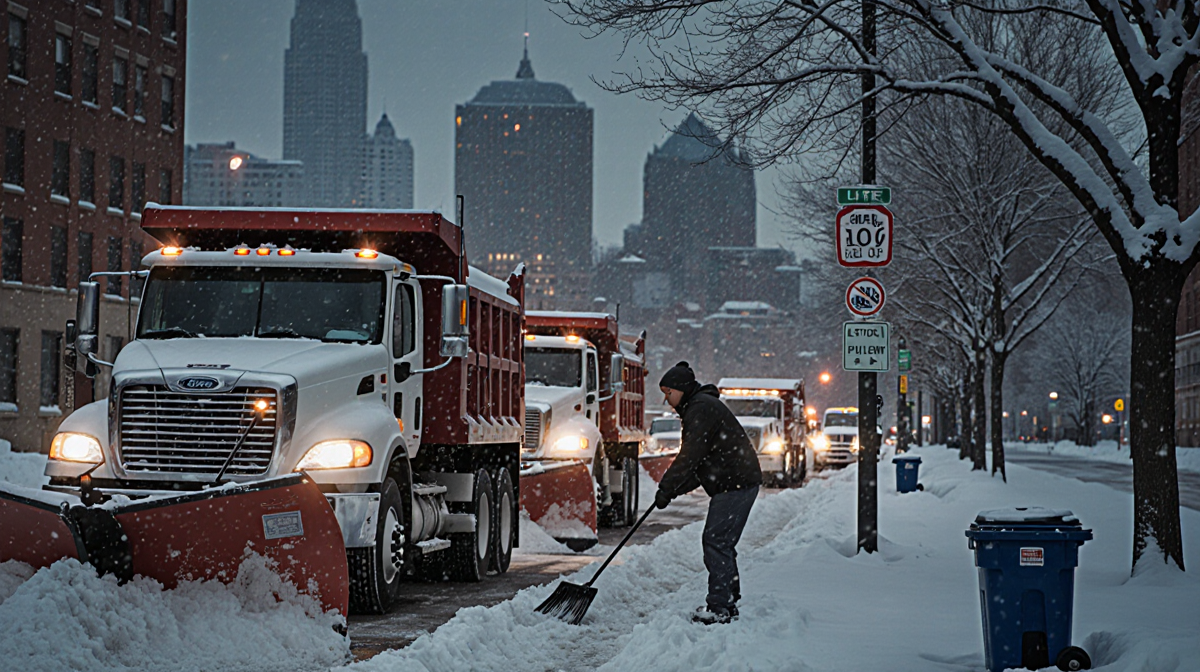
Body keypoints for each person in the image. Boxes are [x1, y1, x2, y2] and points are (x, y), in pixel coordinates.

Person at [654, 361, 762, 625]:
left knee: (716, 541)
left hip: (736, 483)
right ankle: (728, 599)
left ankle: (719, 608)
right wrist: (673, 491)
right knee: (721, 542)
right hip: (735, 482)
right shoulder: (698, 407)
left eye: (668, 393)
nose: (667, 400)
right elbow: (700, 465)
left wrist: (667, 486)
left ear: (680, 388)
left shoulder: (699, 409)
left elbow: (690, 456)